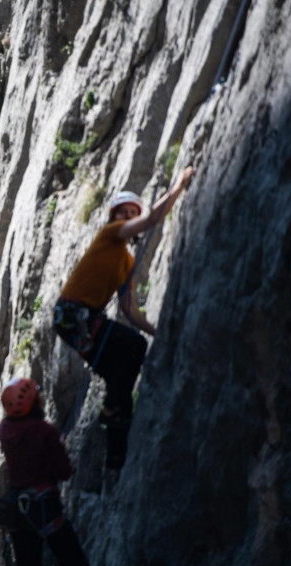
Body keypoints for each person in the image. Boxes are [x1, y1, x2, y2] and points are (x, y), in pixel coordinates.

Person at [53, 167, 196, 467]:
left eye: (133, 211)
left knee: (120, 373)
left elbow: (130, 309)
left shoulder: (127, 261)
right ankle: (111, 411)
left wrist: (158, 332)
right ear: (114, 216)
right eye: (124, 212)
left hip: (79, 318)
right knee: (132, 347)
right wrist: (179, 186)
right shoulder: (110, 235)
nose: (129, 216)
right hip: (74, 312)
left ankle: (115, 453)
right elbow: (151, 220)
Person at [0, 378, 103, 566]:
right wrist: (58, 444)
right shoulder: (44, 431)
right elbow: (64, 471)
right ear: (33, 403)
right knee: (75, 565)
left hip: (18, 511)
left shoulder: (5, 428)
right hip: (45, 507)